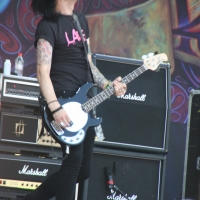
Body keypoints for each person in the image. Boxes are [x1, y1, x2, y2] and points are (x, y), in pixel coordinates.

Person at [25, 0, 127, 199]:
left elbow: (88, 63)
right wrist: (55, 107)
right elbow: (42, 72)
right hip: (62, 103)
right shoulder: (47, 26)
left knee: (84, 170)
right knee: (73, 163)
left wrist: (107, 85)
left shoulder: (80, 21)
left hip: (84, 103)